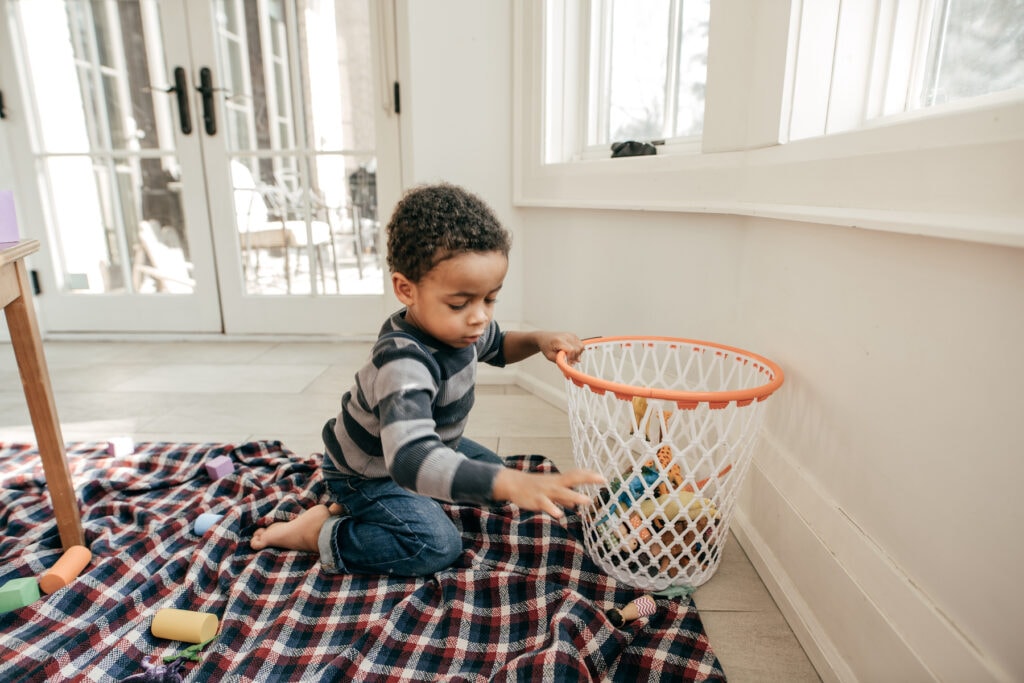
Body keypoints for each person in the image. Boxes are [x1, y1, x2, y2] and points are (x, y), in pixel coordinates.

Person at [251, 182, 604, 576]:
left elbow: (500, 345)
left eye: (490, 299)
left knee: (492, 478)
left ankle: (390, 506)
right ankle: (321, 532)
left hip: (421, 443)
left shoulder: (460, 328)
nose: (480, 316)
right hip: (370, 470)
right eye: (460, 303)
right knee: (436, 544)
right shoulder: (403, 362)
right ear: (406, 290)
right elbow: (410, 459)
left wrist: (539, 339)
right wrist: (507, 482)